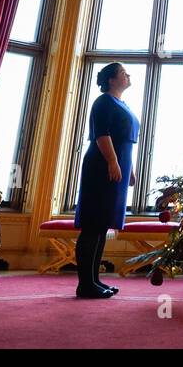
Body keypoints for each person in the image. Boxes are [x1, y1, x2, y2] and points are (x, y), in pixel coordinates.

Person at [74, 63, 140, 299]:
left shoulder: (122, 104)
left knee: (102, 225)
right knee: (93, 224)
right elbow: (102, 134)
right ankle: (85, 284)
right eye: (123, 73)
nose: (128, 75)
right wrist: (113, 161)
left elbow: (126, 141)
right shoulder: (103, 101)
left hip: (117, 168)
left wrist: (128, 168)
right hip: (101, 166)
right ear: (112, 80)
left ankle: (94, 280)